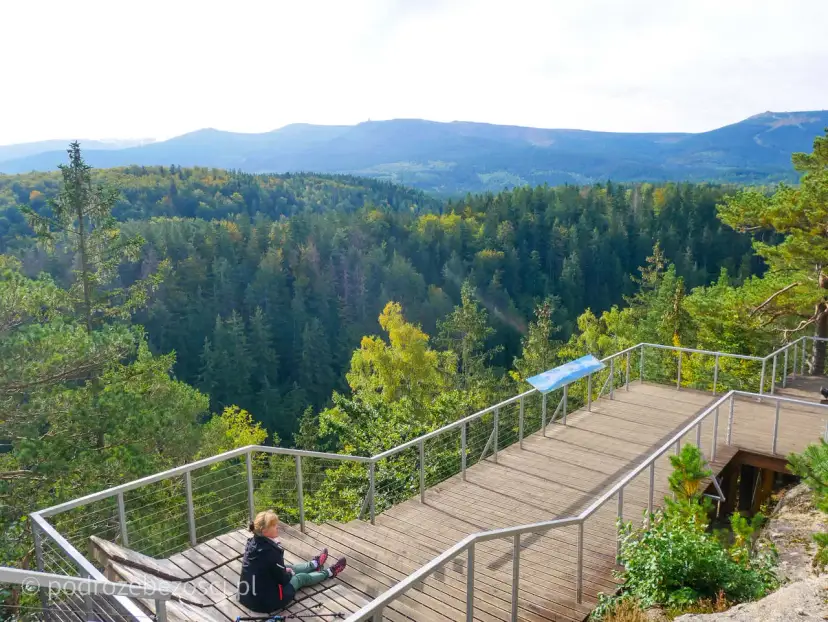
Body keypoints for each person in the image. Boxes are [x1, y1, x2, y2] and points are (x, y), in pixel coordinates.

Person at [238, 509, 347, 613]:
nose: (277, 527)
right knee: (300, 578)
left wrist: (286, 570)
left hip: (247, 596)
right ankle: (330, 572)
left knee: (288, 567)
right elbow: (283, 580)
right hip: (267, 603)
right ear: (264, 531)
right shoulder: (271, 552)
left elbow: (271, 568)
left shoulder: (252, 543)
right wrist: (289, 573)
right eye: (274, 525)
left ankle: (315, 564)